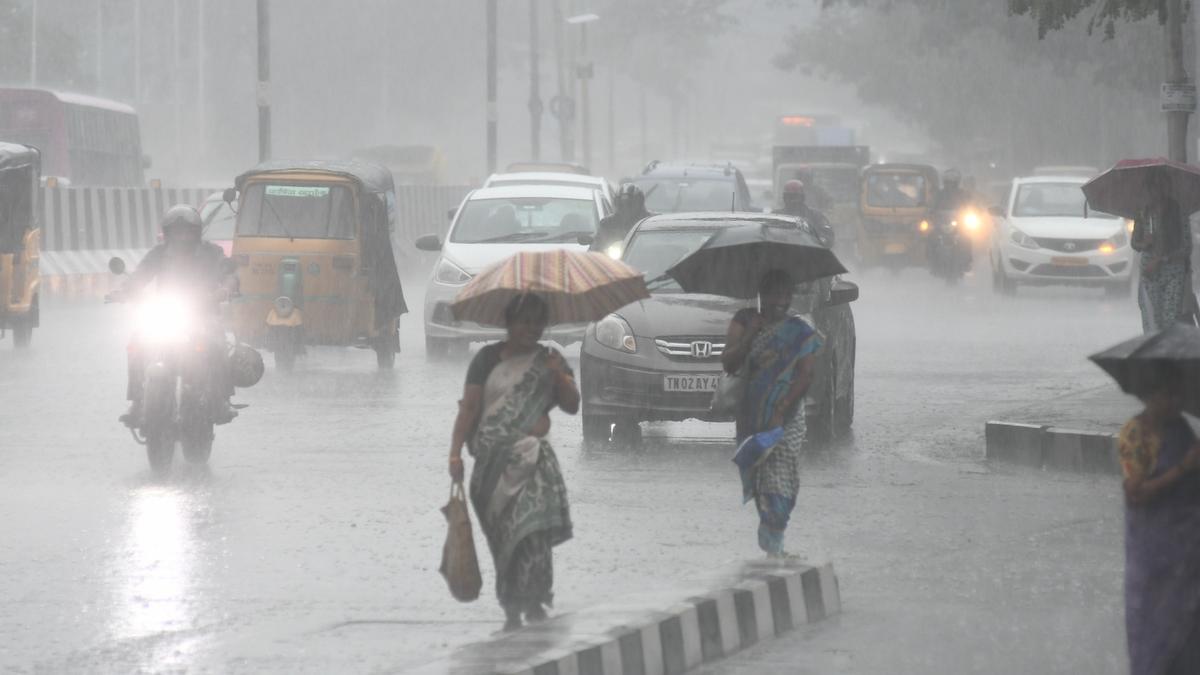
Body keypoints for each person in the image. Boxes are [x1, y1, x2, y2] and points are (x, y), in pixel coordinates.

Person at [447, 293, 578, 631]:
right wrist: (454, 451)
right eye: (524, 321)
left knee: (531, 534)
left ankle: (534, 600)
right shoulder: (486, 360)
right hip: (491, 468)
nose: (531, 329)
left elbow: (572, 405)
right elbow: (470, 408)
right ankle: (510, 606)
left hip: (534, 465)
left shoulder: (550, 359)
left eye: (538, 322)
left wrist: (558, 375)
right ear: (509, 323)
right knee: (503, 540)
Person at [721, 270, 822, 557]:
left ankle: (773, 539)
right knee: (759, 479)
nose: (780, 300)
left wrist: (780, 410)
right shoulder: (745, 321)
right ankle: (774, 548)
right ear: (761, 295)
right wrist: (751, 335)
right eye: (774, 294)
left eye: (785, 294)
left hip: (786, 418)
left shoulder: (800, 331)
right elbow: (729, 363)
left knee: (782, 479)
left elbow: (806, 376)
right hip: (751, 415)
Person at [111, 205, 239, 426]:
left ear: (196, 232)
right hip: (166, 314)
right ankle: (137, 401)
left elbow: (229, 274)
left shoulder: (212, 253)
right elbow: (140, 276)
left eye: (187, 231)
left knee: (218, 343)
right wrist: (123, 291)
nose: (182, 236)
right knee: (137, 343)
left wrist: (225, 288)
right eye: (177, 231)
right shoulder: (159, 254)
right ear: (168, 233)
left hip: (203, 314)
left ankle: (221, 399)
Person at [1117, 369, 1200, 674]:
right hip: (1155, 554)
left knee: (1189, 630)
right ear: (1152, 395)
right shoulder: (1136, 433)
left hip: (1188, 552)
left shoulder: (1179, 428)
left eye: (1179, 394)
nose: (1176, 401)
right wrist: (1184, 466)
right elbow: (1137, 494)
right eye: (1170, 394)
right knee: (1156, 633)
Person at [1133, 170, 1196, 333]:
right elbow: (1135, 243)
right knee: (1151, 320)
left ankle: (1166, 352)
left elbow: (1186, 246)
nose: (1155, 193)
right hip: (1149, 274)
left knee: (1169, 319)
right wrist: (1144, 242)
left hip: (1173, 273)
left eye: (1159, 187)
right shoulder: (1143, 212)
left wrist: (1162, 259)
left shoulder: (1178, 211)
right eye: (1151, 188)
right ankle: (1154, 353)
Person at [591, 184, 652, 255]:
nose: (625, 207)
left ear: (639, 203)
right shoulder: (607, 223)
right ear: (616, 204)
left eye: (630, 204)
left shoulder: (651, 221)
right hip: (612, 262)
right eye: (621, 204)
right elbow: (597, 245)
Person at [778, 179, 835, 248]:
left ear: (802, 198)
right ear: (784, 198)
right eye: (789, 197)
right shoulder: (776, 216)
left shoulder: (815, 216)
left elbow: (828, 237)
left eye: (795, 197)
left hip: (809, 254)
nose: (792, 200)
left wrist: (818, 241)